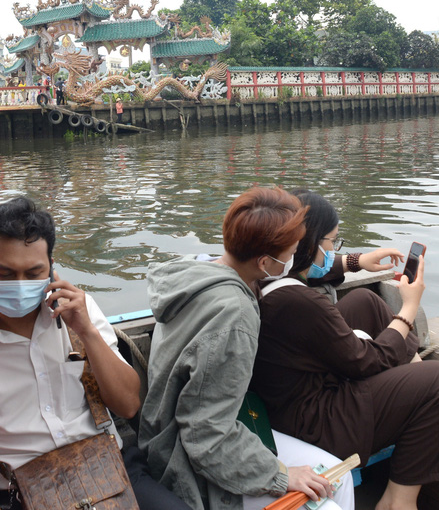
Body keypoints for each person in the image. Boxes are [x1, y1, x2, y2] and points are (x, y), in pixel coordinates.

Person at [0, 196, 189, 510]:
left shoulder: (80, 313)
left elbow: (128, 404)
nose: (20, 283)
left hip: (111, 468)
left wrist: (87, 332)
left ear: (51, 270)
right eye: (5, 274)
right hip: (24, 491)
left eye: (33, 272)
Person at [251, 190, 439, 510]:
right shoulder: (300, 302)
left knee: (365, 302)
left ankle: (424, 394)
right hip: (316, 419)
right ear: (309, 244)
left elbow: (317, 268)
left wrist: (358, 261)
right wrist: (408, 309)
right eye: (332, 242)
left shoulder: (265, 272)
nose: (333, 250)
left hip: (284, 395)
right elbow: (366, 361)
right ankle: (398, 501)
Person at [140, 187, 353, 510]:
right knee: (329, 499)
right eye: (294, 251)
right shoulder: (233, 316)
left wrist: (352, 262)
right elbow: (205, 435)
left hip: (186, 428)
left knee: (341, 478)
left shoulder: (198, 269)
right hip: (185, 456)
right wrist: (280, 476)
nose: (298, 258)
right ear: (265, 263)